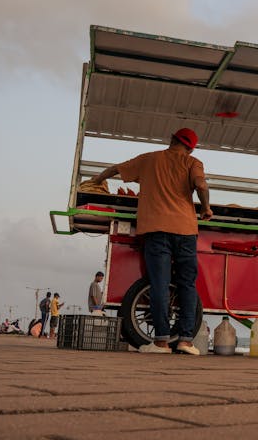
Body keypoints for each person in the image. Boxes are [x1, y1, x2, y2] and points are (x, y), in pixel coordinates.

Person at [89, 128, 212, 355]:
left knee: (159, 284)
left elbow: (115, 169)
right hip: (185, 230)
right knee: (187, 284)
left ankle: (161, 342)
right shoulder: (193, 162)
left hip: (156, 230)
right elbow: (202, 185)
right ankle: (186, 341)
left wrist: (96, 180)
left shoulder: (149, 159)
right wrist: (205, 208)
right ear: (191, 148)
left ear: (171, 139)